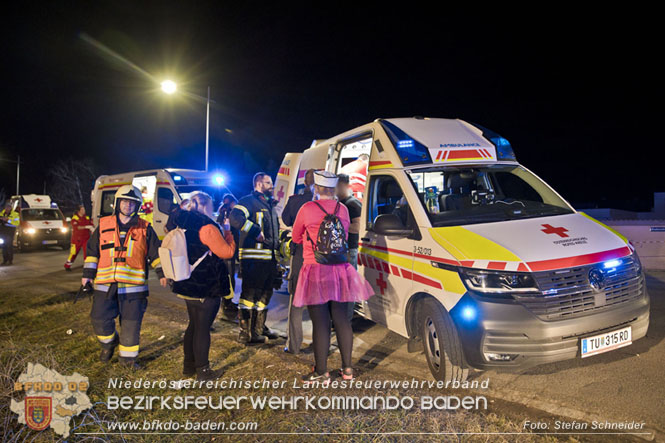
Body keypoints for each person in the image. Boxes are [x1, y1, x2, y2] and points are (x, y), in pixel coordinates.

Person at [291, 171, 374, 382]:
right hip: (340, 270)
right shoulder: (343, 209)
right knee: (342, 319)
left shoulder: (307, 208)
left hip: (315, 269)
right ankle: (348, 370)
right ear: (333, 188)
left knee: (320, 322)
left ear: (316, 188)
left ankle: (321, 372)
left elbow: (296, 236)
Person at [82, 185, 166, 369]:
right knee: (99, 319)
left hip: (133, 288)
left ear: (138, 206)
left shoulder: (145, 228)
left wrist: (162, 273)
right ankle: (109, 343)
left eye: (132, 203)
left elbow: (156, 254)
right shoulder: (103, 225)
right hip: (105, 285)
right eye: (125, 202)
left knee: (131, 325)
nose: (128, 206)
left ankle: (127, 361)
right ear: (118, 203)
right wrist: (87, 275)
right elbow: (92, 252)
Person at [170, 192, 236, 381]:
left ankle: (188, 366)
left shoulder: (181, 221)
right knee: (202, 328)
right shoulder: (206, 226)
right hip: (206, 284)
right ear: (205, 205)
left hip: (187, 281)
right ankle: (204, 371)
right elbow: (226, 252)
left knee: (193, 325)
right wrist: (229, 233)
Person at [229, 172, 281, 344]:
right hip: (253, 259)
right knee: (249, 296)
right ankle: (245, 333)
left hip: (269, 259)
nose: (271, 186)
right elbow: (235, 218)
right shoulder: (247, 201)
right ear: (258, 184)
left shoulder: (270, 205)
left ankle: (258, 330)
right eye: (268, 182)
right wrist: (255, 231)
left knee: (265, 295)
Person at [280, 169, 315, 354]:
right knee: (319, 304)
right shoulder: (326, 203)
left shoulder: (295, 201)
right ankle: (320, 345)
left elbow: (285, 220)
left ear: (305, 182)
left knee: (296, 301)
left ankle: (293, 346)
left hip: (300, 255)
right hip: (320, 258)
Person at [216, 194, 239, 321]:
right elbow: (227, 231)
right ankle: (226, 303)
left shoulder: (230, 214)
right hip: (227, 249)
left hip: (231, 248)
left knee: (231, 276)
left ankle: (228, 301)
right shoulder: (225, 215)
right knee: (229, 276)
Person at [64, 205, 94, 271]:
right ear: (79, 211)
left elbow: (91, 224)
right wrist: (86, 227)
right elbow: (77, 227)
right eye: (82, 210)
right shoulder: (75, 218)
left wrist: (92, 228)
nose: (84, 211)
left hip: (86, 238)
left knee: (87, 253)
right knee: (73, 253)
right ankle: (67, 265)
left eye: (84, 209)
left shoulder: (87, 217)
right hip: (76, 239)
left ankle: (86, 266)